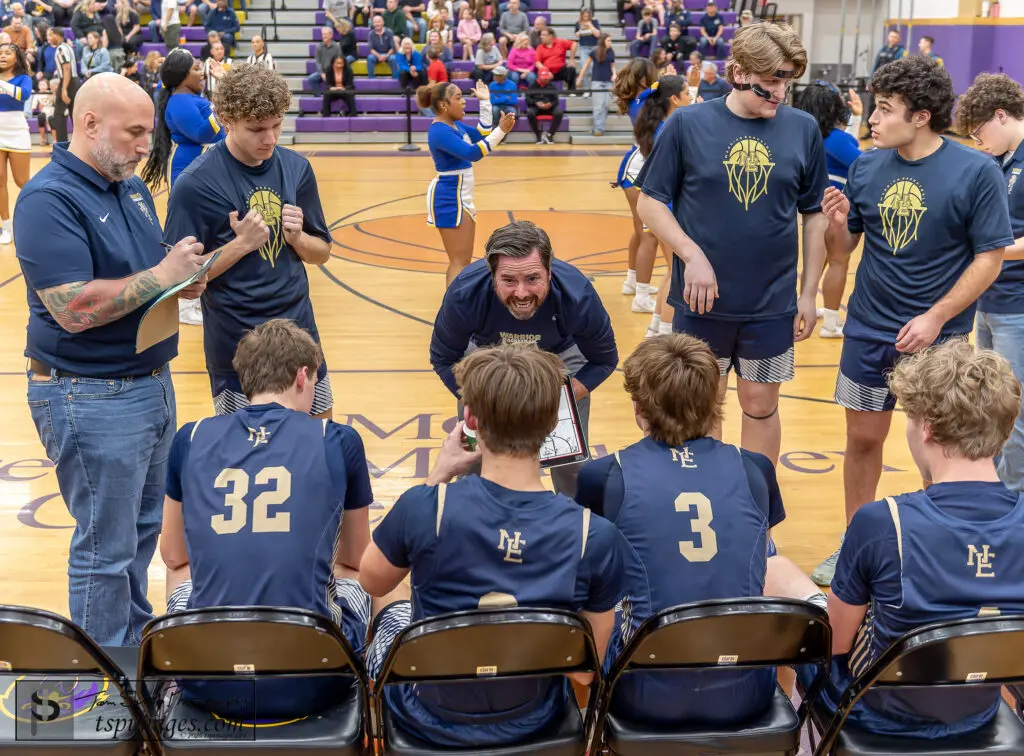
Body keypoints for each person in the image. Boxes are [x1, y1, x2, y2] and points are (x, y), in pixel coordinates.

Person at [358, 341, 631, 748]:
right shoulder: (594, 534)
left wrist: (438, 476)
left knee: (388, 606)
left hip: (427, 718)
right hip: (535, 721)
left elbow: (371, 580)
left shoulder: (425, 508)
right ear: (555, 425)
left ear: (470, 420)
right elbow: (585, 673)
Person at [13, 73, 207, 646]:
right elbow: (73, 308)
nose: (148, 145)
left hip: (148, 380)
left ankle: (132, 643)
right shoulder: (47, 199)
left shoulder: (130, 185)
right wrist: (161, 276)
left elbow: (143, 277)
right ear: (90, 124)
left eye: (150, 131)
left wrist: (178, 281)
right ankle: (103, 682)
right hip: (88, 394)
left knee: (141, 534)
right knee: (106, 548)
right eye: (135, 132)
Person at [813, 56, 1013, 586]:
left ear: (921, 116)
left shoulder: (977, 171)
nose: (872, 120)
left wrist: (937, 316)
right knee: (861, 441)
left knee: (940, 448)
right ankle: (856, 545)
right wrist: (836, 225)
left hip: (941, 339)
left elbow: (989, 257)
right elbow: (846, 248)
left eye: (884, 109)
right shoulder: (865, 165)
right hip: (867, 331)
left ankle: (937, 542)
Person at [576, 334, 816, 727]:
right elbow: (755, 562)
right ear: (715, 403)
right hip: (747, 690)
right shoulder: (756, 468)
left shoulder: (603, 474)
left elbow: (590, 578)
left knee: (584, 602)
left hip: (643, 692)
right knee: (778, 576)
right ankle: (783, 721)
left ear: (638, 408)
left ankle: (587, 724)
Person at [792, 340, 1024, 738]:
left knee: (798, 621)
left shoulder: (883, 522)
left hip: (882, 720)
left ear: (928, 430)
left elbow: (835, 646)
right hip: (979, 713)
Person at [637, 22, 830, 467]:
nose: (780, 93)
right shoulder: (687, 124)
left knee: (761, 406)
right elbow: (651, 204)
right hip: (700, 303)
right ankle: (719, 511)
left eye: (787, 81)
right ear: (738, 72)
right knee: (702, 411)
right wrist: (692, 254)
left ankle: (757, 515)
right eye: (770, 83)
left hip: (773, 304)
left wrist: (808, 292)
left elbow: (814, 214)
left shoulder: (802, 129)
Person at [160, 318, 373, 720]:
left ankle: (175, 686)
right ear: (303, 376)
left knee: (181, 567)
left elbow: (173, 555)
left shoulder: (190, 437)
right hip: (314, 676)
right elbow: (358, 557)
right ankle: (377, 692)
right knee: (365, 571)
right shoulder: (337, 439)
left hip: (208, 679)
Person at [163, 64, 336, 418]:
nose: (270, 139)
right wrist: (239, 245)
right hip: (237, 349)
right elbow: (175, 281)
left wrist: (298, 238)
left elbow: (322, 253)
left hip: (301, 336)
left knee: (317, 448)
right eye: (257, 129)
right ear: (225, 118)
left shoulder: (296, 168)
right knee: (248, 457)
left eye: (277, 125)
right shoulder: (195, 184)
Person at [429, 220, 617, 497]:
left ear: (549, 272)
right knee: (472, 457)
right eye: (508, 280)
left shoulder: (578, 295)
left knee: (569, 460)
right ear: (492, 275)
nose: (521, 293)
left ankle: (579, 527)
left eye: (532, 279)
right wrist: (477, 399)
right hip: (487, 356)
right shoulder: (464, 294)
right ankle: (469, 521)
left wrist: (561, 398)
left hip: (558, 357)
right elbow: (443, 357)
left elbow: (604, 360)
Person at [955, 73, 1024, 495]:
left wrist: (989, 250)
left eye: (980, 133)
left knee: (1015, 410)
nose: (979, 142)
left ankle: (1011, 501)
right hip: (990, 299)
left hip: (1018, 304)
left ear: (1001, 115)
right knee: (993, 406)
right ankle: (995, 490)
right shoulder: (999, 160)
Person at [141, 49, 225, 326]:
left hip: (201, 163)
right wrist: (220, 107)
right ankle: (186, 302)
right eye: (196, 69)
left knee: (205, 230)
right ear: (182, 76)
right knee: (191, 233)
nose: (201, 73)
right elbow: (204, 132)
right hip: (189, 165)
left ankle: (196, 296)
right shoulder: (179, 102)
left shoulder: (189, 98)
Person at [418, 79, 515, 286]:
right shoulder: (439, 131)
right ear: (444, 105)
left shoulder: (454, 126)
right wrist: (502, 131)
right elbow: (472, 153)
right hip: (449, 197)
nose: (464, 102)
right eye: (458, 98)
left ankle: (457, 306)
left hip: (460, 195)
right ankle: (453, 311)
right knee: (459, 262)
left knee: (463, 261)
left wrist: (486, 102)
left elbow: (482, 134)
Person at [796, 79, 864, 339]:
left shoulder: (808, 135)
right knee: (838, 261)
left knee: (816, 263)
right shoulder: (836, 139)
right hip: (833, 208)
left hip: (814, 208)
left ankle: (809, 309)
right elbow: (862, 163)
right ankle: (832, 322)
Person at [632, 75, 689, 339]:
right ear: (675, 99)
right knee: (676, 273)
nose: (690, 96)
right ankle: (667, 333)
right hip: (663, 207)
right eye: (687, 92)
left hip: (658, 203)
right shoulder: (670, 128)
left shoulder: (659, 124)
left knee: (671, 270)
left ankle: (656, 326)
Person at [613, 57, 660, 316]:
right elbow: (663, 89)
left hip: (636, 166)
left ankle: (632, 281)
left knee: (639, 230)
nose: (658, 77)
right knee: (649, 234)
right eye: (654, 73)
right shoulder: (643, 98)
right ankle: (642, 295)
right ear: (644, 77)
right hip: (637, 170)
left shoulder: (642, 98)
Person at [0, 42, 31, 245]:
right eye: (0, 52)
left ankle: (33, 220)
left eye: (7, 53)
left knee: (22, 182)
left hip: (17, 130)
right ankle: (6, 226)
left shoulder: (24, 78)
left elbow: (23, 95)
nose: (2, 55)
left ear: (16, 58)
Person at [47, 25, 75, 142]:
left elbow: (67, 69)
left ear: (57, 35)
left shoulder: (61, 49)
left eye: (50, 35)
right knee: (73, 115)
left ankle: (62, 146)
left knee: (58, 116)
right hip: (73, 82)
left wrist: (63, 89)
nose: (48, 38)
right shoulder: (67, 47)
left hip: (68, 82)